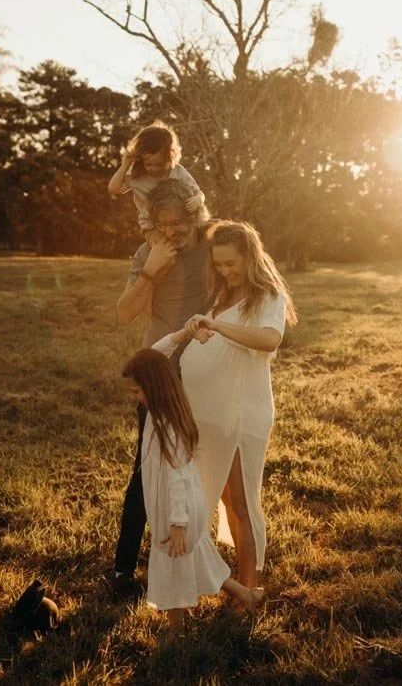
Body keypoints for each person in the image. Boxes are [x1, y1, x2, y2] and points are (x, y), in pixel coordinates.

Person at [151, 220, 297, 594]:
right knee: (210, 496)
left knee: (240, 501)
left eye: (232, 263)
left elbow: (268, 340)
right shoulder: (223, 296)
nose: (225, 271)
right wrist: (200, 329)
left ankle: (249, 587)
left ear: (251, 257)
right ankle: (221, 580)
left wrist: (219, 329)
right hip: (207, 413)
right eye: (218, 264)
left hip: (239, 413)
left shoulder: (268, 297)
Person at [105, 179, 211, 596]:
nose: (169, 232)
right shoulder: (150, 251)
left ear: (195, 215)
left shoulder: (211, 240)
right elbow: (125, 313)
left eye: (177, 223)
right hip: (160, 373)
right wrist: (152, 271)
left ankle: (206, 560)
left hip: (207, 370)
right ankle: (123, 569)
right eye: (161, 223)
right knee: (146, 467)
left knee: (202, 463)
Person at [121, 348, 264, 638]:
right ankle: (245, 596)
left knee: (173, 560)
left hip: (180, 507)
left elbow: (175, 478)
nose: (133, 397)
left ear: (153, 386)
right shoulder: (160, 413)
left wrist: (177, 524)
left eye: (136, 391)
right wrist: (181, 335)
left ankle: (176, 630)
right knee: (194, 555)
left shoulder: (167, 425)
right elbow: (158, 349)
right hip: (182, 504)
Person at [107, 120, 206, 246]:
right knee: (165, 249)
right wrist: (126, 164)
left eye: (159, 164)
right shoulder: (137, 176)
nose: (154, 169)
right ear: (141, 159)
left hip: (178, 223)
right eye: (149, 164)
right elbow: (113, 189)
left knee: (198, 242)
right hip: (153, 226)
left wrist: (198, 199)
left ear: (170, 156)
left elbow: (198, 191)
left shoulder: (176, 171)